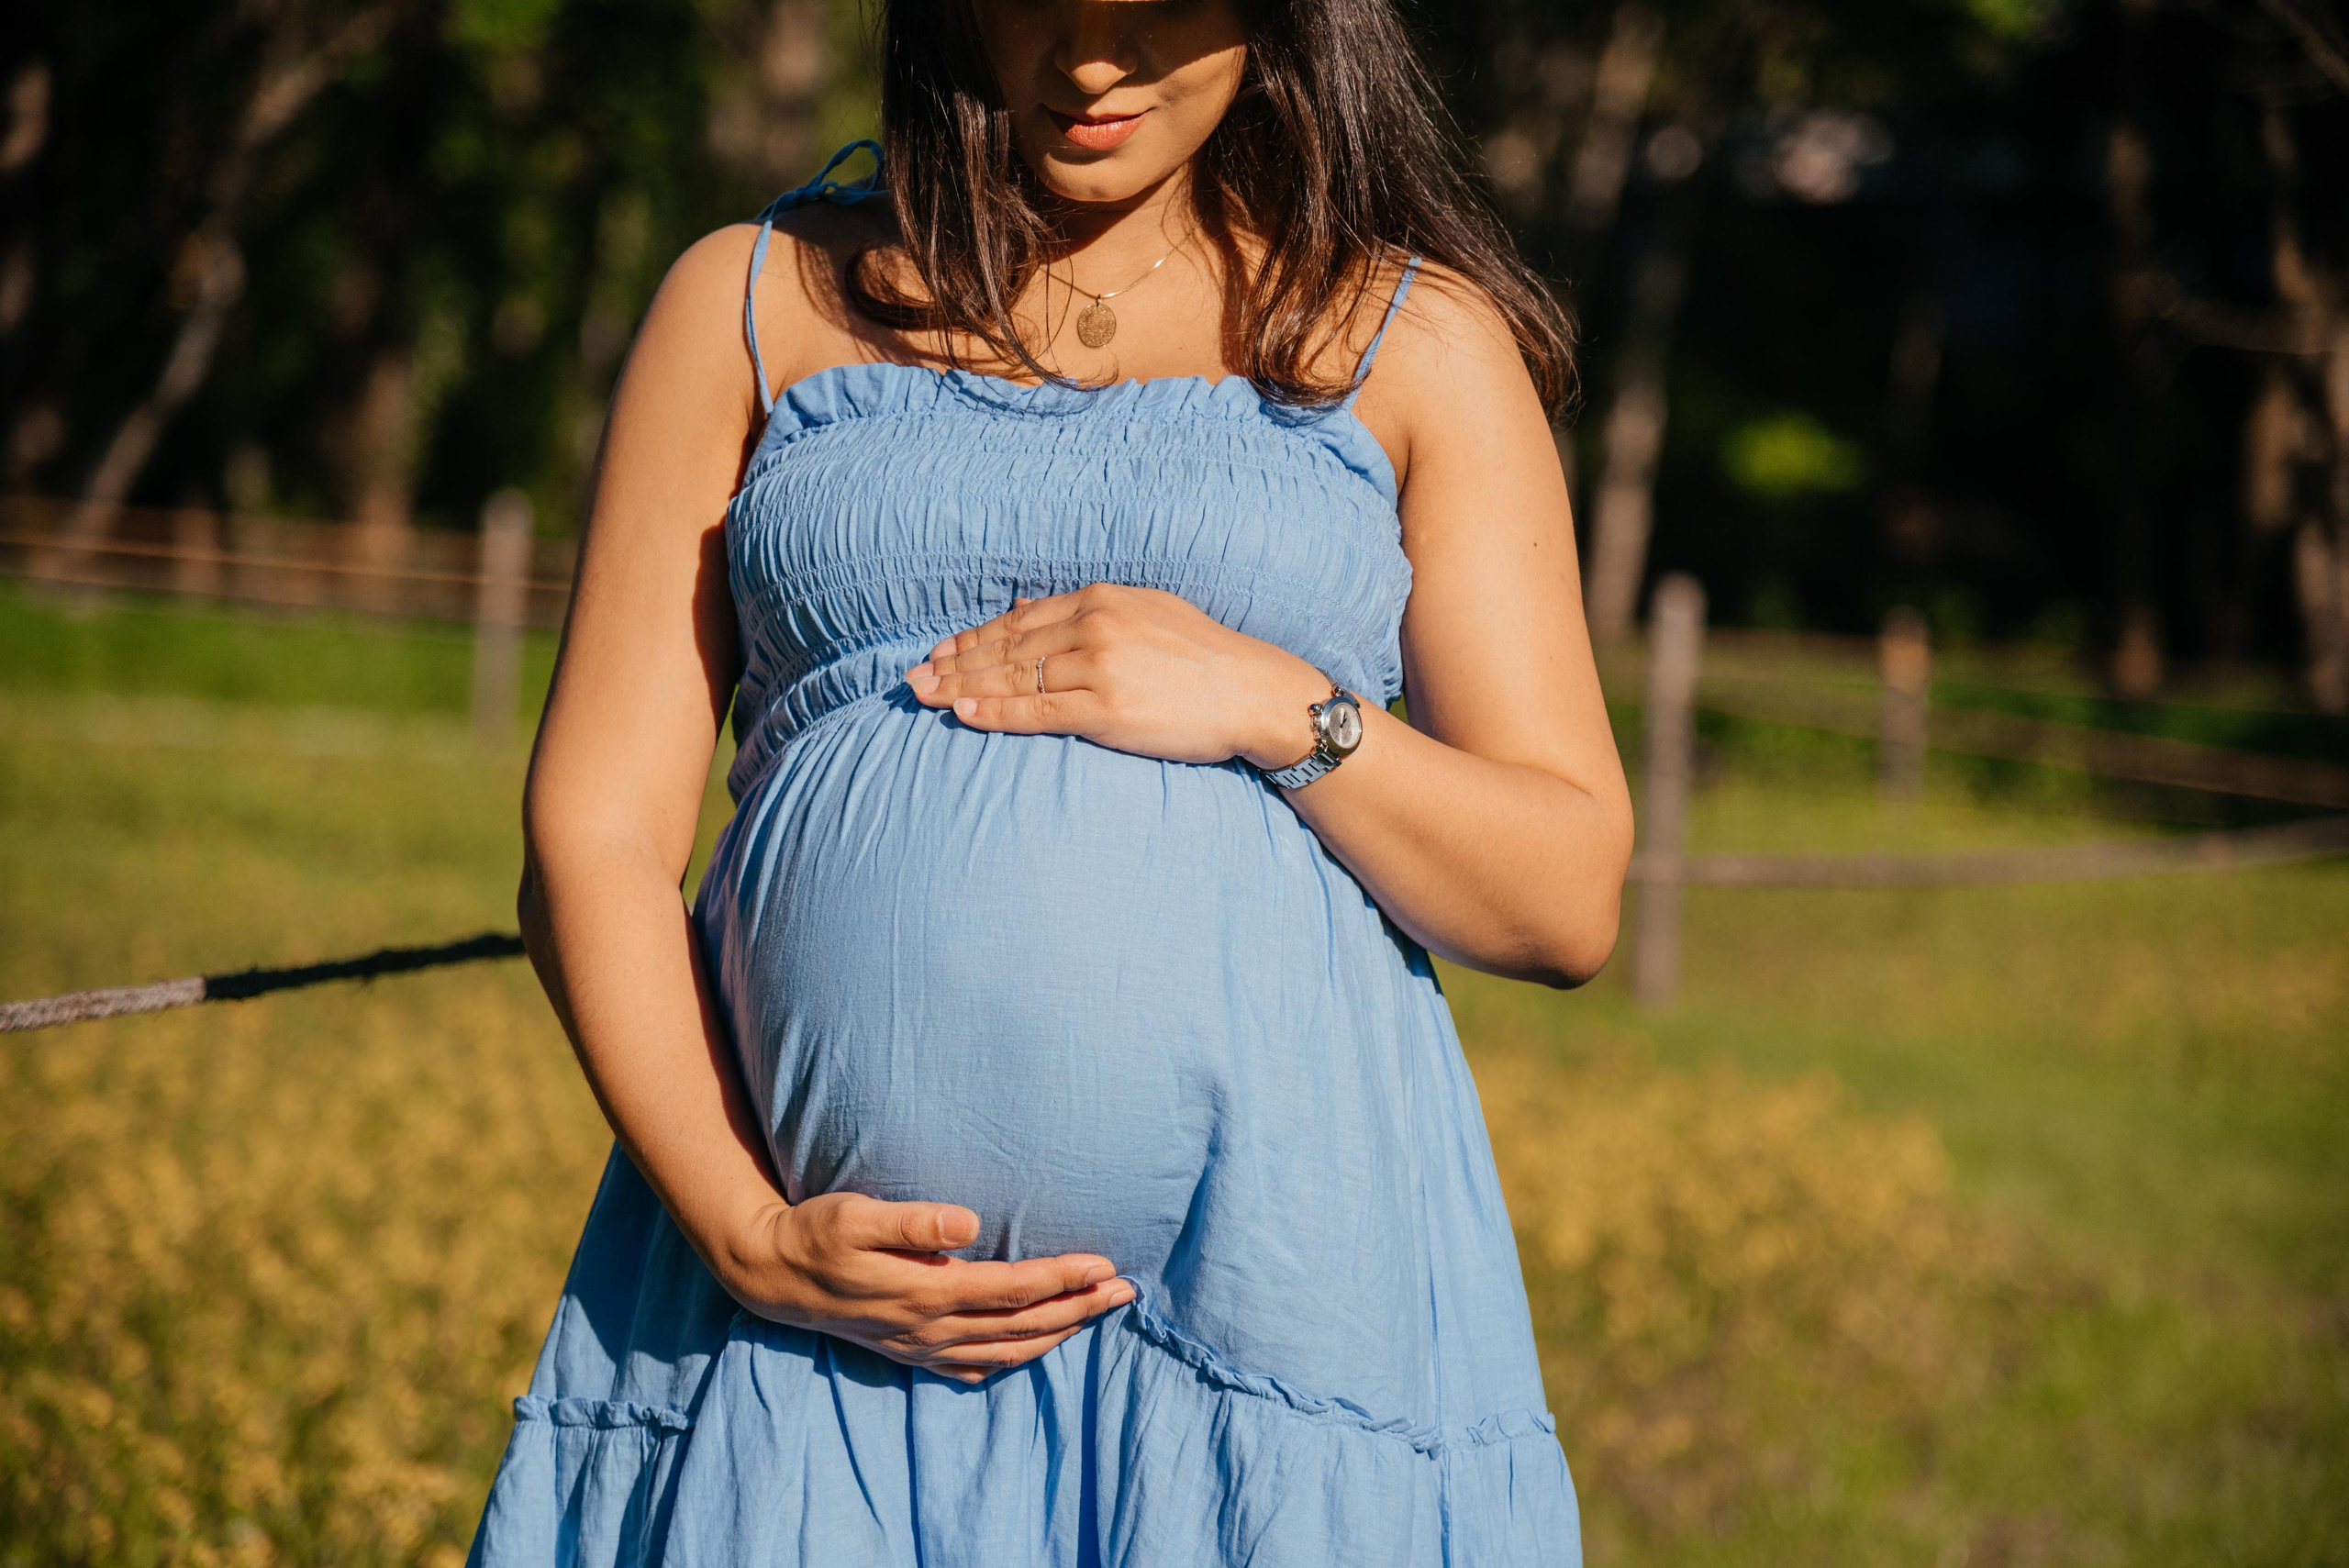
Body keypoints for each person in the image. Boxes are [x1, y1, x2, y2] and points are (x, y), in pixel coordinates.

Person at [469, 0, 1632, 1562]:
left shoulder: (1415, 343)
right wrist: (749, 1229)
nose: (1094, 62)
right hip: (799, 1331)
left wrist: (1272, 699)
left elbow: (1566, 893)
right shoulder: (755, 298)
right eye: (1042, 1)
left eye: (1156, 11)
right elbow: (594, 832)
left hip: (1267, 1332)